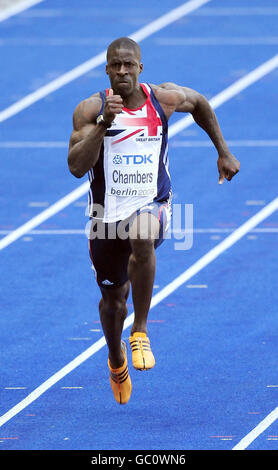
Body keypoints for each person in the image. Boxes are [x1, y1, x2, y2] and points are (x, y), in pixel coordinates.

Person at [67, 37, 240, 405]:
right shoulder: (90, 109)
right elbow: (75, 167)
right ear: (107, 70)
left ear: (140, 68)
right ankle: (116, 361)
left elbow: (201, 104)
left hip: (153, 203)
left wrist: (223, 152)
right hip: (104, 218)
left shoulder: (162, 99)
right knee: (113, 301)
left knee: (143, 233)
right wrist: (103, 124)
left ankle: (141, 332)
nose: (122, 71)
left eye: (128, 65)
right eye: (115, 65)